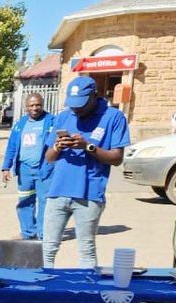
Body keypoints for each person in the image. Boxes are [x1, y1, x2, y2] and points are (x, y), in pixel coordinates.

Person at [41, 76, 130, 269]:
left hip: (89, 195)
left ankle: (87, 286)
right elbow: (49, 157)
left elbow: (117, 158)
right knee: (47, 248)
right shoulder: (64, 117)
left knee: (86, 249)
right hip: (57, 192)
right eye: (72, 105)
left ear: (94, 96)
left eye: (80, 104)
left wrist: (87, 146)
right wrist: (57, 146)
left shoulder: (113, 117)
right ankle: (43, 283)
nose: (76, 109)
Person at [1, 93, 55, 240]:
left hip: (45, 169)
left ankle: (43, 234)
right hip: (24, 170)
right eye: (31, 105)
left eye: (38, 105)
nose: (35, 108)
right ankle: (28, 232)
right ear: (26, 107)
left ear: (42, 105)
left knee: (45, 202)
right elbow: (12, 146)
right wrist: (6, 167)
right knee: (25, 201)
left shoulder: (52, 121)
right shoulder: (20, 125)